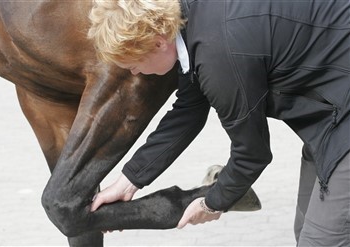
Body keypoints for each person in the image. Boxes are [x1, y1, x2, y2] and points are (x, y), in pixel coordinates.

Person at [88, 0, 350, 245]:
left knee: (321, 240)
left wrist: (212, 203)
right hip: (331, 121)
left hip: (342, 122)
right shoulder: (191, 21)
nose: (134, 72)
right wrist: (127, 182)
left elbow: (252, 155)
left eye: (133, 64)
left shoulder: (218, 54)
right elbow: (188, 110)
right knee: (306, 229)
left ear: (157, 43)